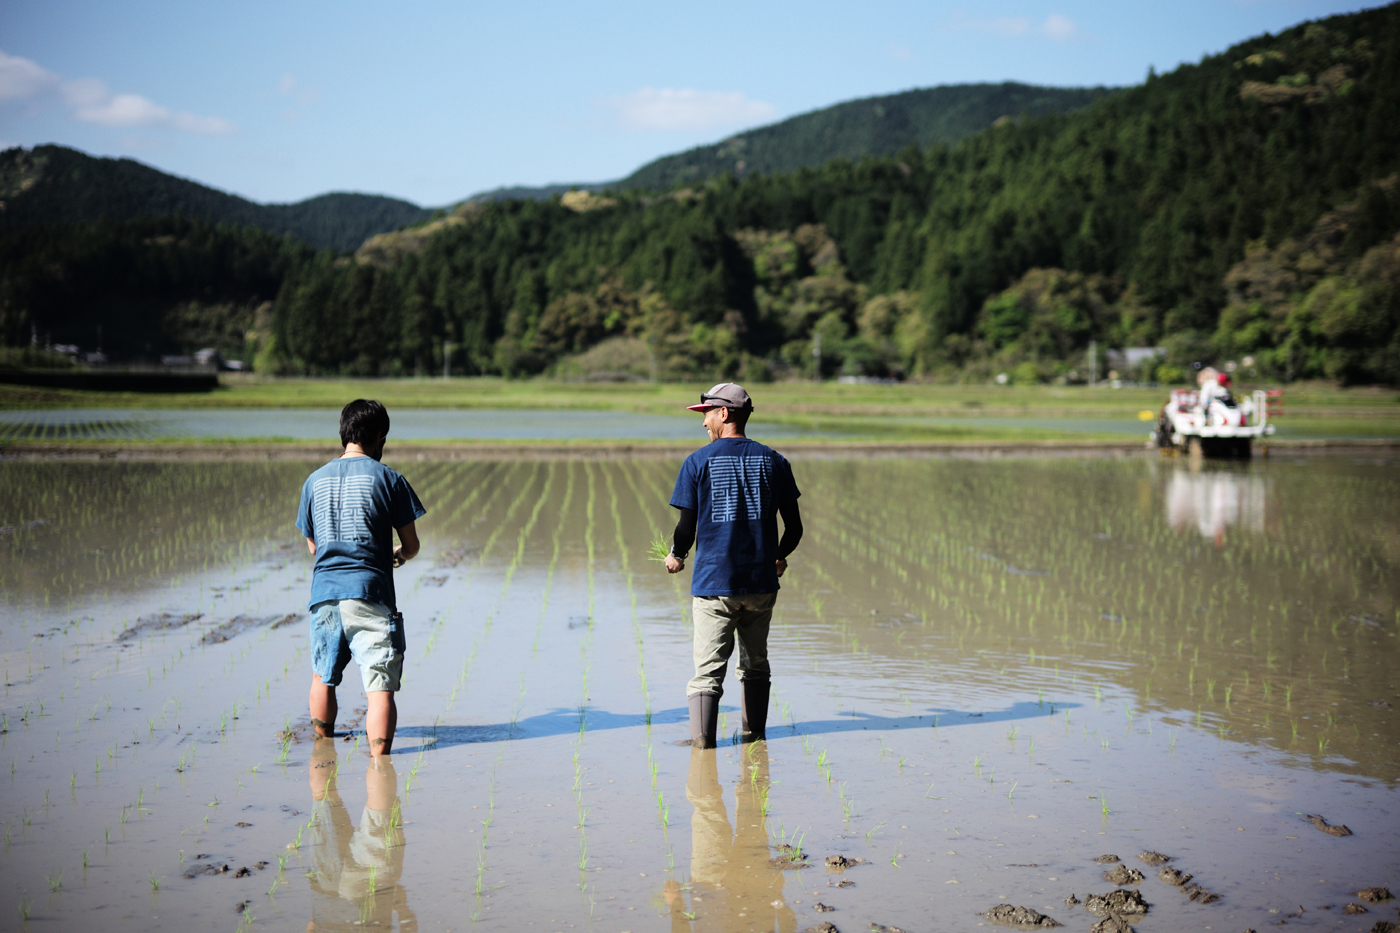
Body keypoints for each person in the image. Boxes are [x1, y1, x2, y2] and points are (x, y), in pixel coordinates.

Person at [664, 382, 803, 748]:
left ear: (723, 414)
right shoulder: (775, 460)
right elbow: (795, 527)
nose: (703, 422)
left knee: (707, 674)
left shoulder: (697, 462)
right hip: (761, 586)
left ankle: (702, 747)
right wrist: (779, 556)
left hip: (715, 585)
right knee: (756, 665)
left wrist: (677, 555)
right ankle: (754, 739)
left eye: (706, 414)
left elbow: (686, 527)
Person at [296, 399, 426, 757]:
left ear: (345, 433)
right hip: (370, 592)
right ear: (380, 435)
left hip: (324, 594)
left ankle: (323, 750)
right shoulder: (389, 479)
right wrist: (397, 556)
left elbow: (312, 546)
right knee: (380, 686)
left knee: (323, 675)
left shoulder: (314, 480)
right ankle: (380, 766)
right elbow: (411, 544)